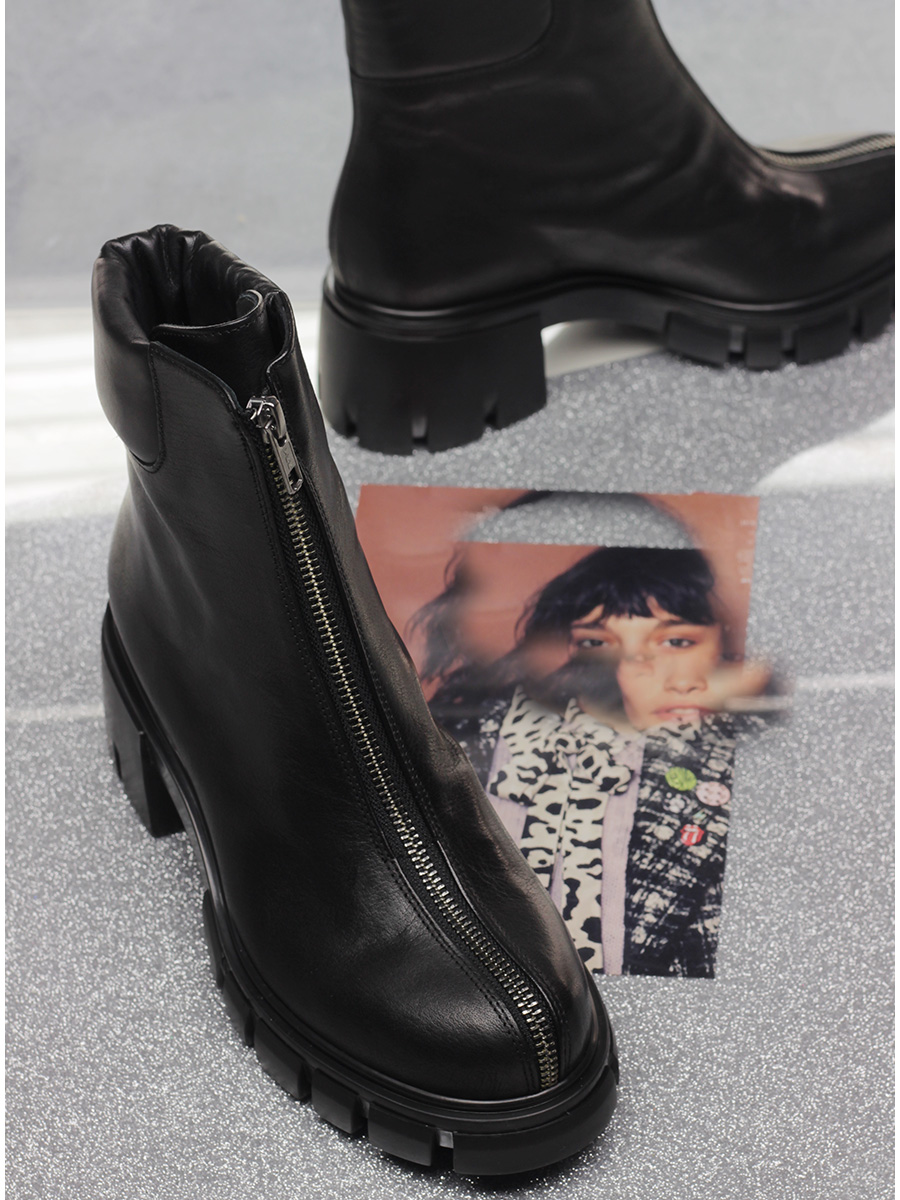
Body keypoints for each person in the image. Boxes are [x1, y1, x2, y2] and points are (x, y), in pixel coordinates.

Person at [413, 542, 772, 977]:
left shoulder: (741, 759)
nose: (635, 667)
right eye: (597, 642)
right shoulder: (478, 736)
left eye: (677, 641)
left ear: (724, 642)